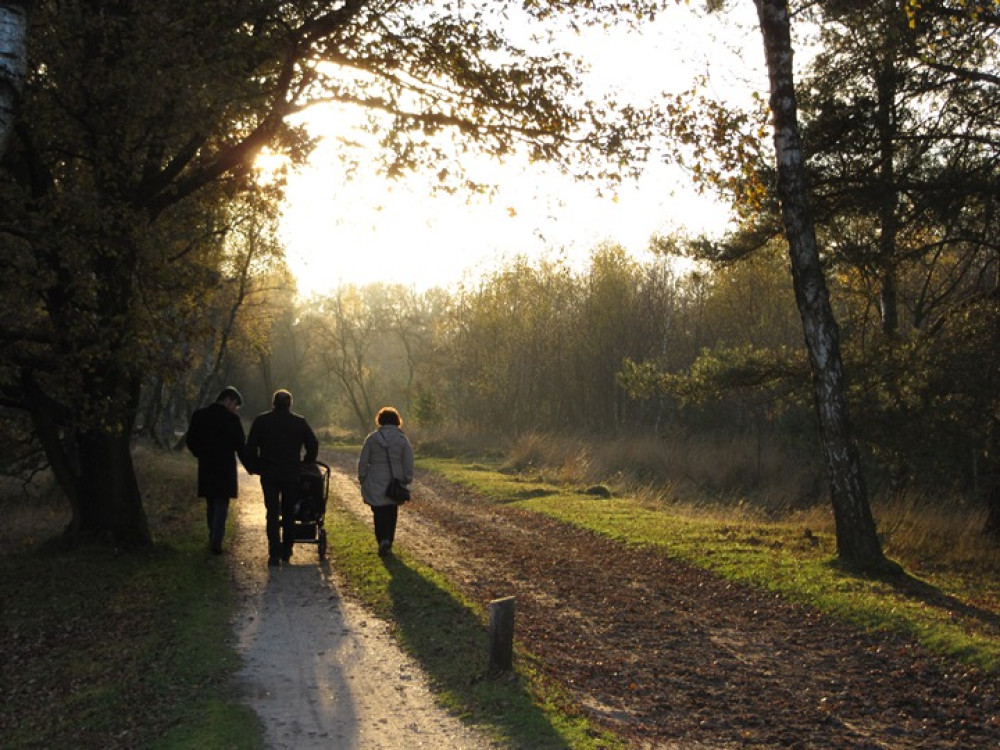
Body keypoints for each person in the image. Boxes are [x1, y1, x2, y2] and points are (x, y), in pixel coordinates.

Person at [246, 389, 319, 567]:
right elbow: (313, 444)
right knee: (288, 512)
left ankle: (274, 553)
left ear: (273, 403)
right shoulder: (299, 422)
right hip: (291, 473)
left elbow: (250, 446)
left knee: (271, 512)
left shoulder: (261, 421)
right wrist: (306, 462)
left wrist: (255, 466)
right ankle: (287, 549)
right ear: (290, 404)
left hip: (269, 472)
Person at [185, 386, 249, 555]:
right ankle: (216, 540)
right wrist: (251, 467)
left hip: (206, 465)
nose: (235, 408)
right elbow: (241, 447)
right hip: (225, 467)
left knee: (211, 502)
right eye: (235, 404)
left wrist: (200, 453)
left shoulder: (199, 415)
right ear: (228, 400)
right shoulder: (232, 420)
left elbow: (190, 440)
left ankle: (213, 535)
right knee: (222, 503)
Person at [358, 406, 414, 557]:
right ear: (397, 420)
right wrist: (407, 477)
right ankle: (388, 540)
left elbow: (364, 460)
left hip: (375, 478)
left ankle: (381, 539)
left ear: (380, 420)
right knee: (391, 511)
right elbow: (408, 460)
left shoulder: (372, 439)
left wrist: (362, 477)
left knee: (378, 512)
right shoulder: (402, 439)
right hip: (395, 479)